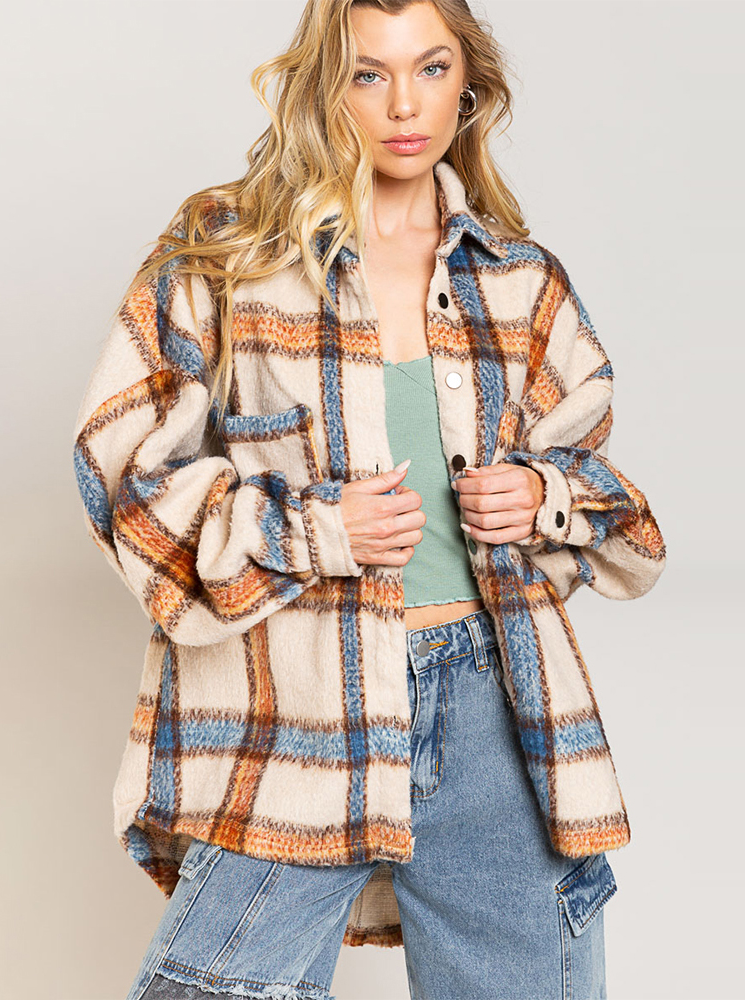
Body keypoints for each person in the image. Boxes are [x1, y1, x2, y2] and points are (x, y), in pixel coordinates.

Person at [72, 1, 667, 998]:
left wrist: (543, 495)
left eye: (430, 68)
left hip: (493, 707)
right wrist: (314, 530)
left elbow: (622, 523)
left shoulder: (518, 281)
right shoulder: (229, 250)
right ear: (325, 85)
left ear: (467, 83)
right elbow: (121, 471)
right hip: (295, 704)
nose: (403, 105)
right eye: (368, 73)